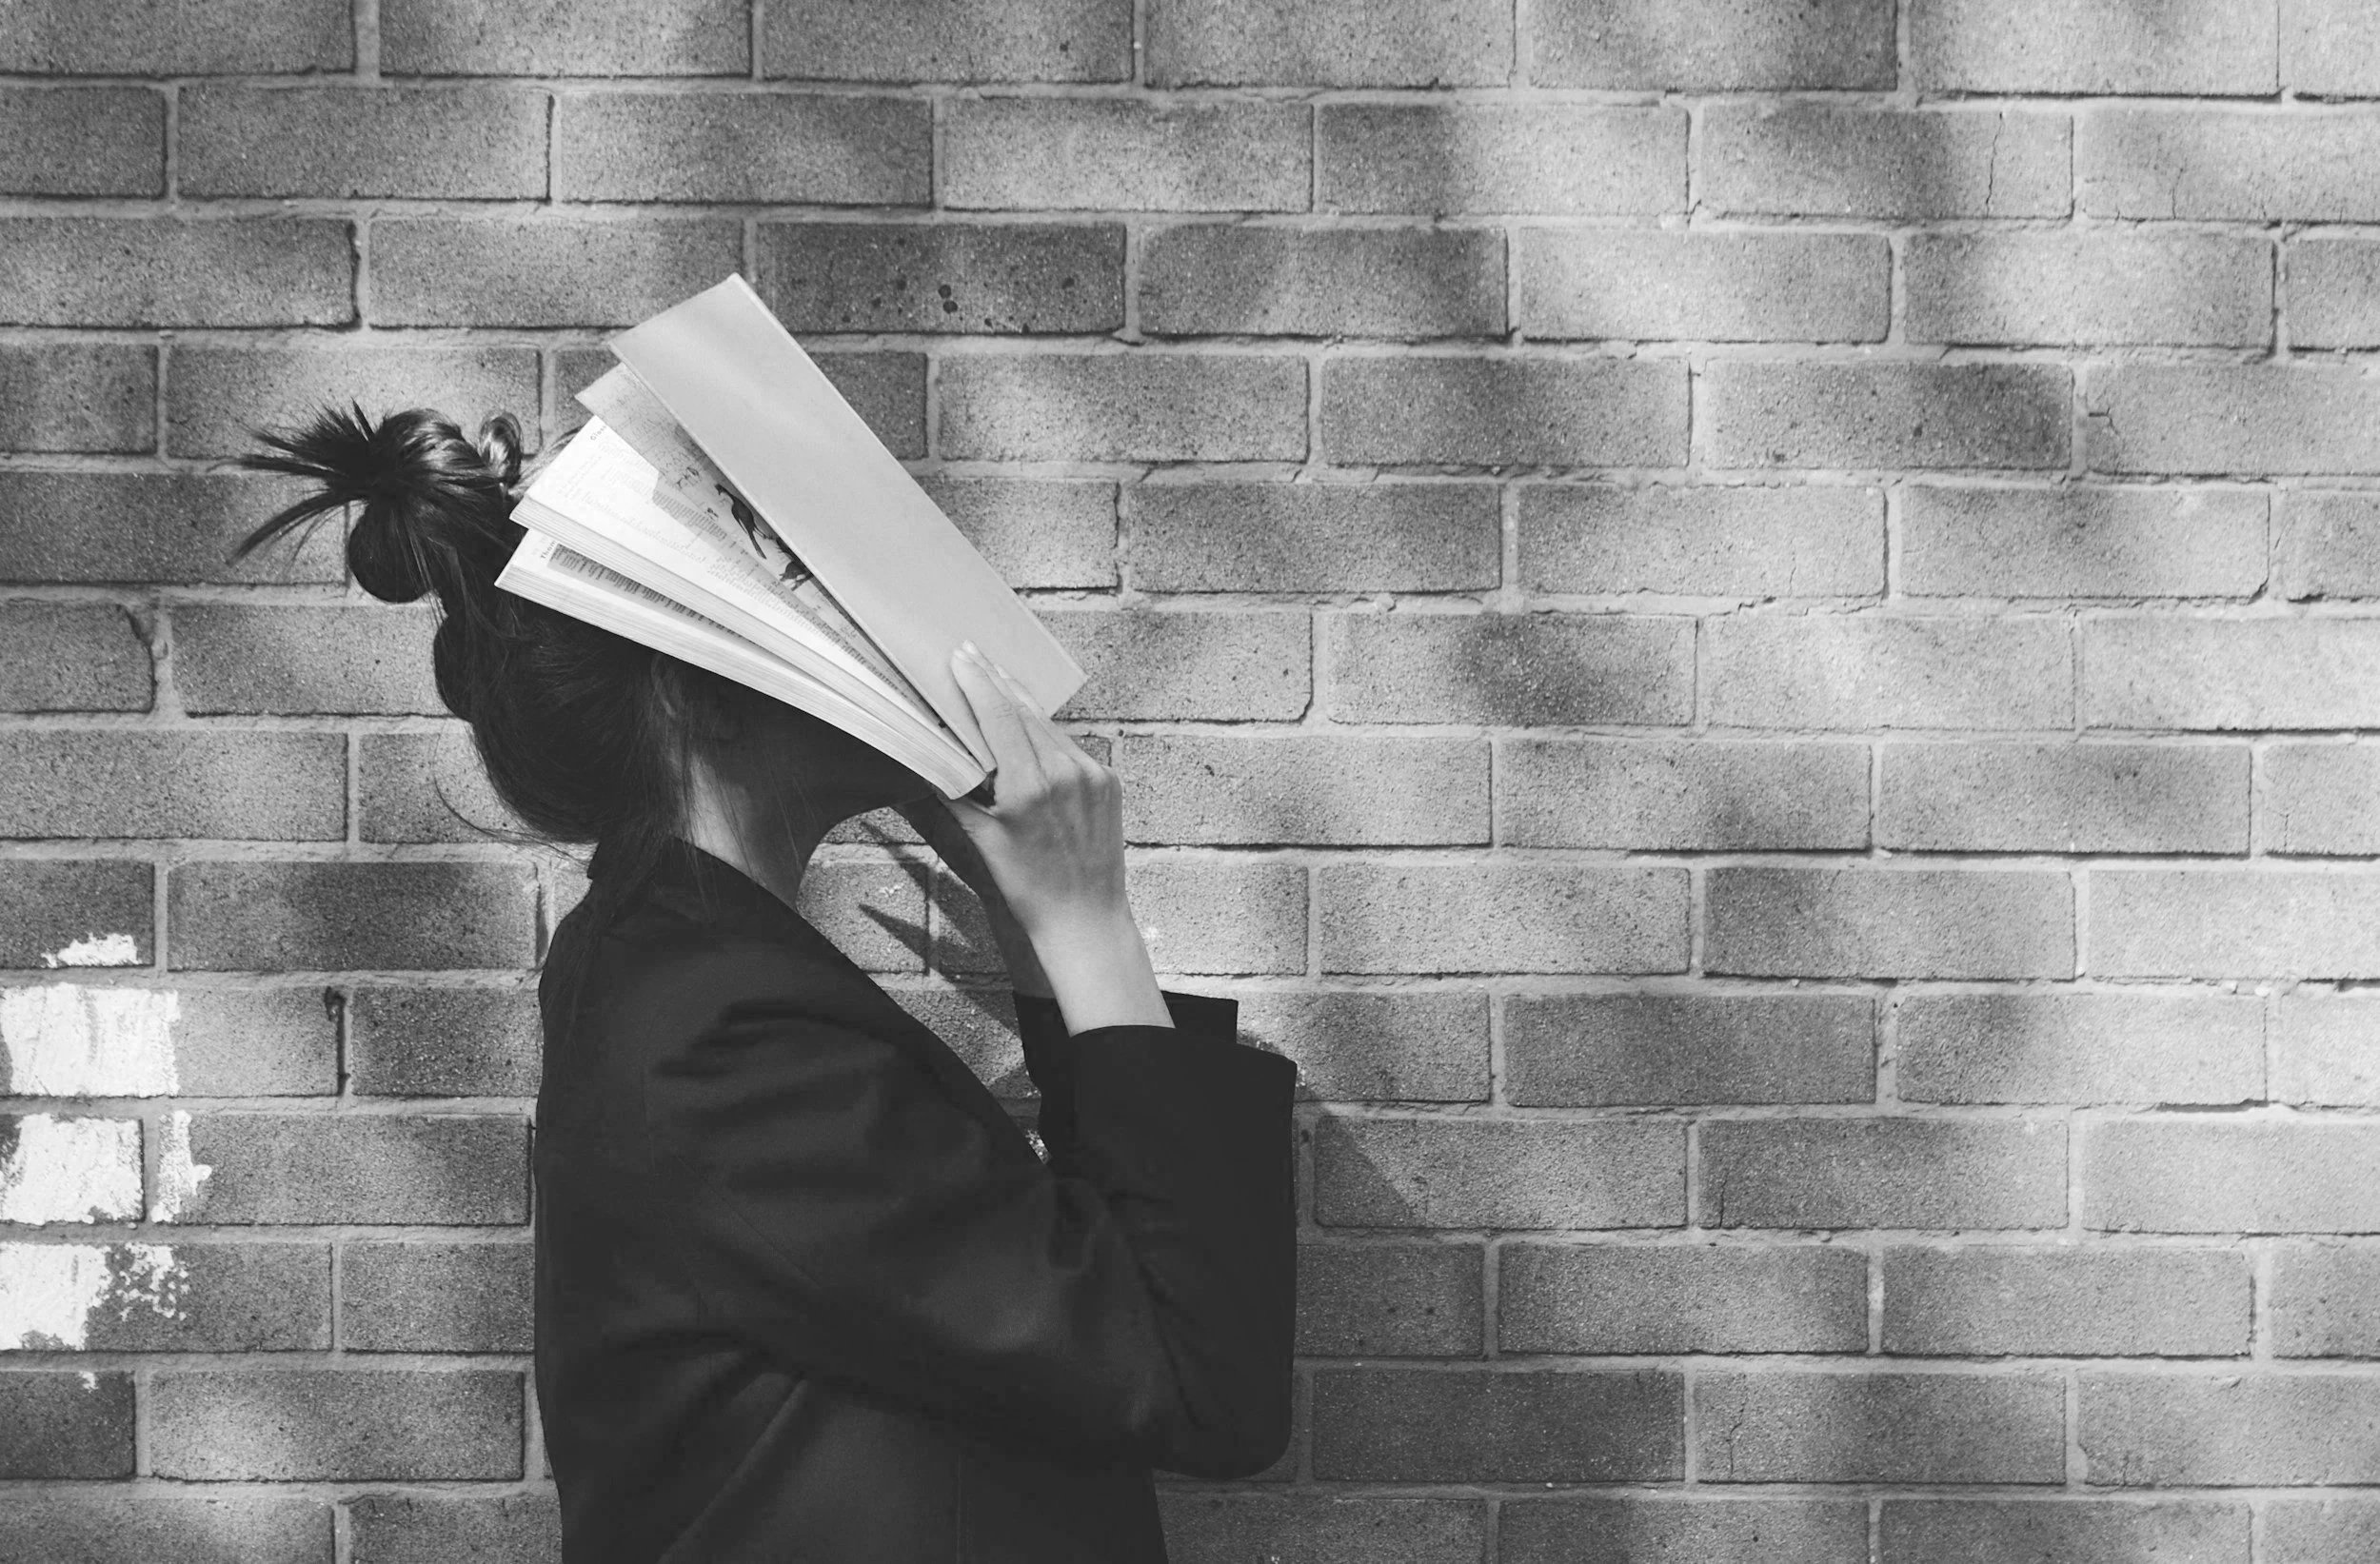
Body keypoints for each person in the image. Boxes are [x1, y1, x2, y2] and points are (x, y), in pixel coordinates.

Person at [234, 406, 1299, 1562]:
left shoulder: (678, 972)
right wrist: (1088, 920)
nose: (876, 639)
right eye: (810, 607)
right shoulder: (717, 1035)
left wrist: (1030, 915)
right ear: (701, 687)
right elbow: (1200, 1381)